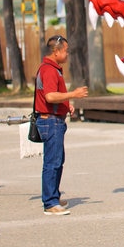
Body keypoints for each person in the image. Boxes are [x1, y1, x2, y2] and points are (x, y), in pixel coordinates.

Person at [34, 35, 88, 215]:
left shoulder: (52, 68)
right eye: (65, 51)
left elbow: (51, 97)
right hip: (50, 121)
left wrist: (65, 105)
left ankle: (53, 197)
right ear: (55, 51)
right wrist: (73, 94)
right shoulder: (49, 70)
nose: (67, 54)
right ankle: (50, 202)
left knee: (57, 160)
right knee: (52, 162)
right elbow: (50, 96)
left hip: (53, 119)